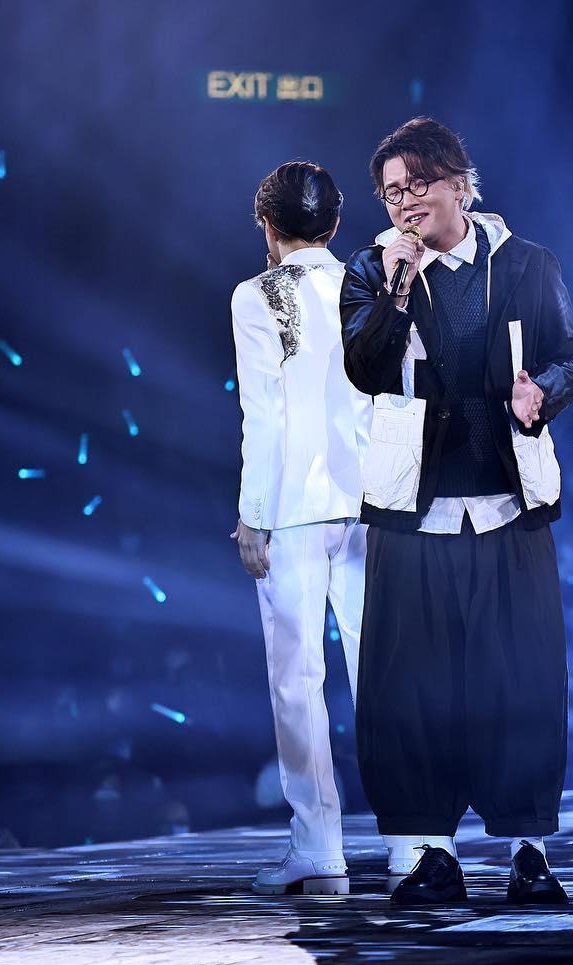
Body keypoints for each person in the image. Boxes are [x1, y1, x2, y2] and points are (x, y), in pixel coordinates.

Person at [339, 118, 573, 904]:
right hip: (413, 513)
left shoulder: (527, 264)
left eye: (417, 184)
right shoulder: (372, 268)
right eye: (391, 192)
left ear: (457, 182)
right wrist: (397, 282)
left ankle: (528, 850)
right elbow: (365, 367)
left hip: (508, 508)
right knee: (412, 689)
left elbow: (572, 357)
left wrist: (542, 393)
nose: (404, 202)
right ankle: (431, 853)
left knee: (521, 681)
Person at [231, 161, 371, 895]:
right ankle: (416, 845)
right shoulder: (369, 284)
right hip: (372, 504)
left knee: (298, 681)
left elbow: (264, 413)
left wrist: (251, 516)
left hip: (292, 508)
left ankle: (320, 851)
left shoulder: (257, 295)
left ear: (267, 225)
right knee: (382, 675)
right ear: (335, 224)